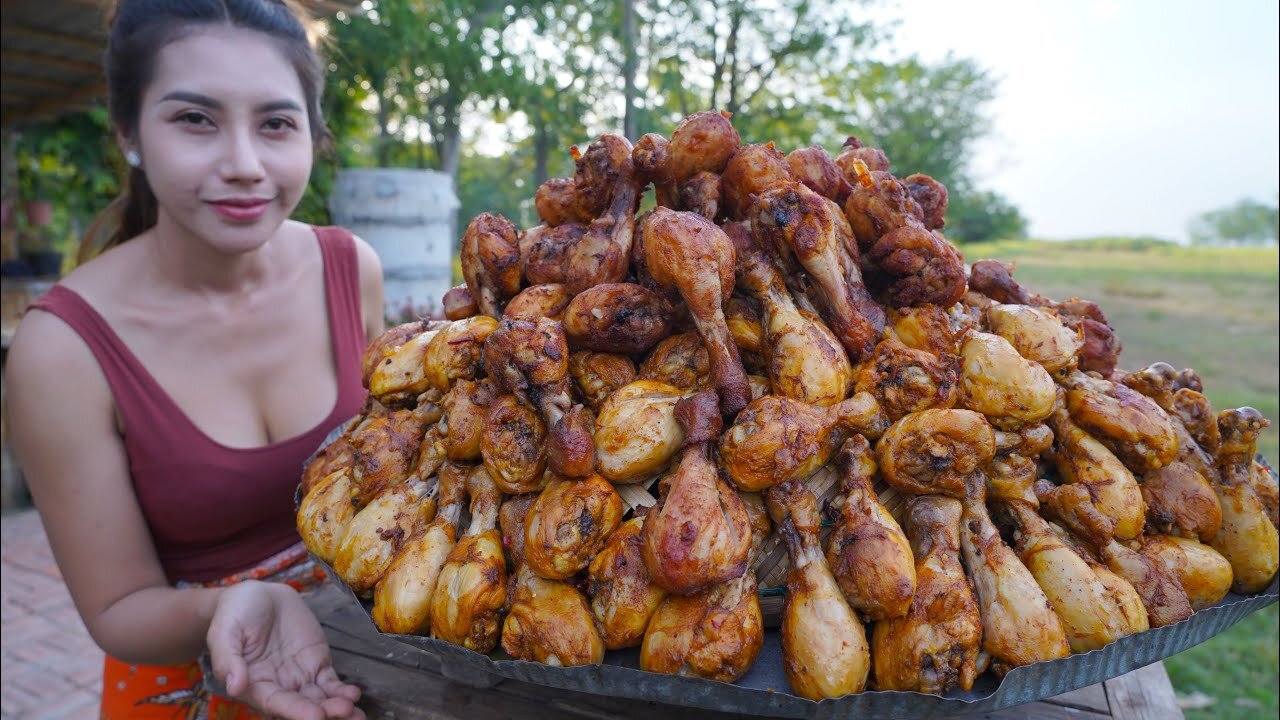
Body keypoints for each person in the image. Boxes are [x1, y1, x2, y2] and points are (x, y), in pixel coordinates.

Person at [4, 1, 384, 717]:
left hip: (375, 669)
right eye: (195, 120)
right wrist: (233, 606)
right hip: (192, 685)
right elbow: (116, 605)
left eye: (275, 123)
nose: (243, 165)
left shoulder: (350, 268)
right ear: (129, 133)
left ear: (312, 134)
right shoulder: (62, 350)